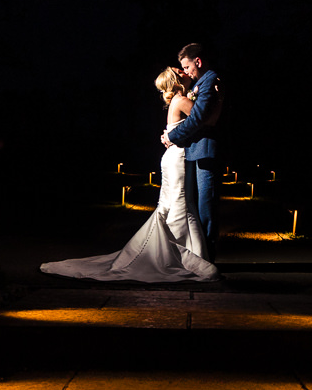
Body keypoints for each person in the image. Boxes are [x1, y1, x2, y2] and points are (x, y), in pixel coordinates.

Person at [38, 66, 219, 283]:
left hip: (175, 156)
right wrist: (219, 100)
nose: (184, 71)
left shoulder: (178, 101)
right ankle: (185, 255)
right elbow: (206, 119)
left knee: (174, 205)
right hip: (178, 158)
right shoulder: (180, 101)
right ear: (176, 81)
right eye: (180, 71)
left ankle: (178, 251)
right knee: (181, 204)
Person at [161, 42, 222, 263]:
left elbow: (199, 119)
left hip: (205, 150)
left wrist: (172, 136)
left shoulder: (209, 81)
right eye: (183, 70)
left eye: (187, 67)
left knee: (206, 203)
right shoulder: (197, 86)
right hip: (194, 150)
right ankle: (198, 252)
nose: (186, 72)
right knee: (196, 203)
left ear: (198, 61)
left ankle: (207, 256)